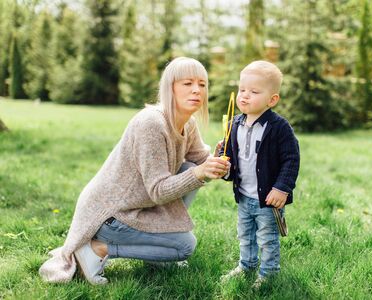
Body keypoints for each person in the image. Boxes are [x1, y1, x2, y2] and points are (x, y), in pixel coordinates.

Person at [39, 57, 230, 285]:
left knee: (191, 168)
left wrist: (221, 157)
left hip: (138, 205)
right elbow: (159, 190)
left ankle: (157, 250)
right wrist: (200, 173)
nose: (196, 90)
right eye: (187, 83)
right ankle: (97, 249)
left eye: (202, 84)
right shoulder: (151, 124)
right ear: (170, 88)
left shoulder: (187, 123)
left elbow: (200, 160)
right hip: (111, 215)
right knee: (184, 245)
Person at [219, 60, 300, 288]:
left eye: (254, 92)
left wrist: (282, 188)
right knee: (245, 234)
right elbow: (231, 156)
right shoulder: (235, 123)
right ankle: (246, 265)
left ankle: (268, 273)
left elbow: (291, 159)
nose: (245, 96)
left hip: (267, 199)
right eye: (242, 90)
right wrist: (224, 165)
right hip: (244, 196)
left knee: (267, 238)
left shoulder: (279, 127)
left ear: (272, 99)